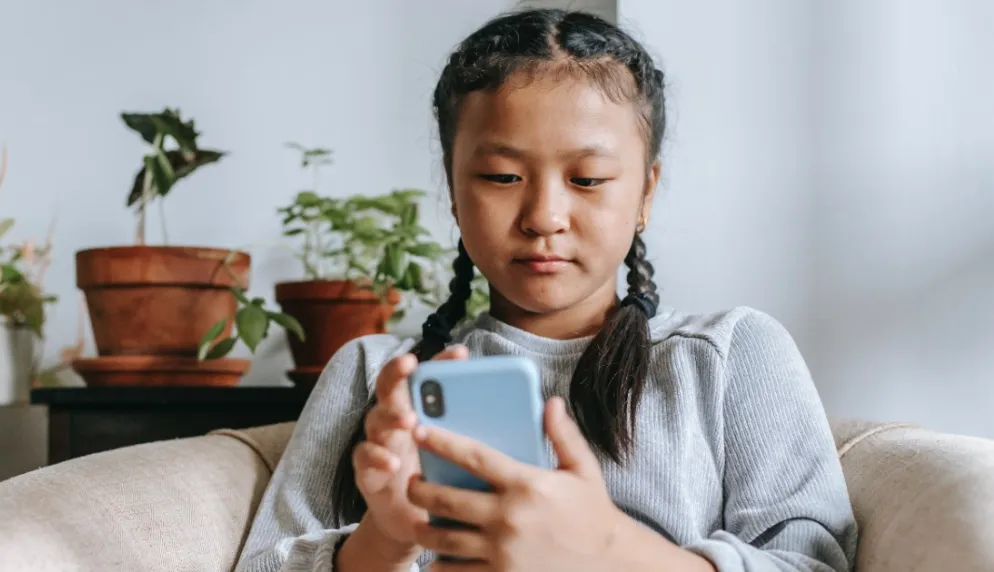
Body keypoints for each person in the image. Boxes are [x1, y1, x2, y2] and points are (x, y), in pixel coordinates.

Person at [237, 8, 857, 572]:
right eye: (501, 176)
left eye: (588, 179)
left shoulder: (728, 357)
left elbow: (816, 565)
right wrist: (384, 540)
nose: (544, 215)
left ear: (645, 191)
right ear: (453, 191)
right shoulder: (373, 373)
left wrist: (609, 551)